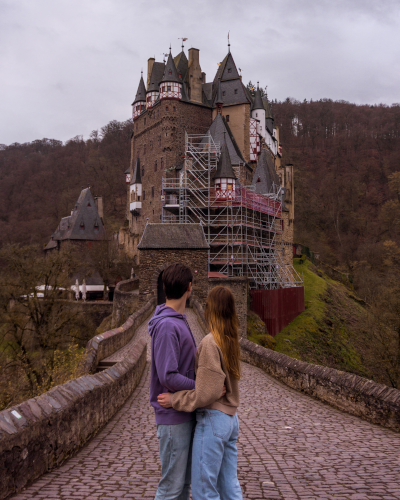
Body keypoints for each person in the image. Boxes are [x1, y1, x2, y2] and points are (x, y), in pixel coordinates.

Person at [158, 285, 243, 500]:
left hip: (213, 420)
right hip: (231, 420)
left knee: (205, 490)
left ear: (210, 310)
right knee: (229, 486)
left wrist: (175, 399)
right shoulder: (231, 340)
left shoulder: (210, 342)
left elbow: (206, 393)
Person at [148, 263, 197, 500]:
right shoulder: (168, 325)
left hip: (181, 414)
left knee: (182, 487)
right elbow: (168, 375)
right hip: (173, 419)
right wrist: (201, 388)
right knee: (171, 489)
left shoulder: (177, 320)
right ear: (189, 288)